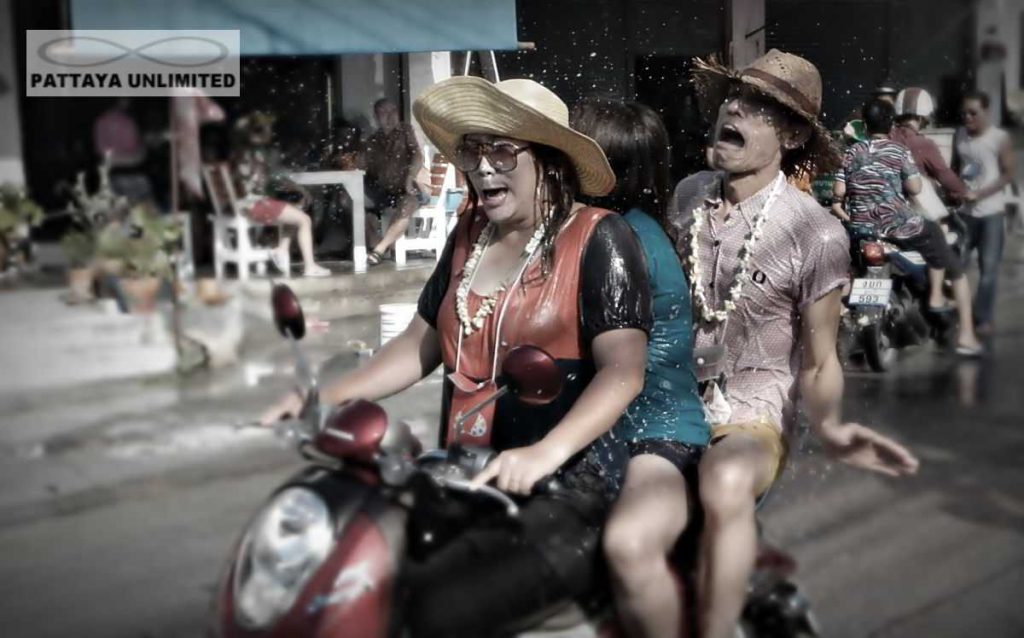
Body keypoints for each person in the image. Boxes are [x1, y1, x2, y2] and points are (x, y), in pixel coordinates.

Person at [262, 76, 651, 637]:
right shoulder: (470, 232)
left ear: (550, 161)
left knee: (432, 611)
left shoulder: (599, 237)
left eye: (503, 151)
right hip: (465, 476)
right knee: (346, 573)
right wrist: (324, 396)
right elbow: (418, 344)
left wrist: (545, 453)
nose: (484, 167)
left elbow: (623, 372)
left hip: (566, 488)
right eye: (474, 150)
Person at [668, 50, 921, 638]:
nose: (734, 109)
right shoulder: (687, 197)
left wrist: (830, 427)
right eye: (735, 97)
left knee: (725, 481)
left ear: (792, 135)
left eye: (759, 107)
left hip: (754, 407)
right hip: (673, 398)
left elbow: (820, 356)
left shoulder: (816, 231)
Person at [571, 99, 710, 638]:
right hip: (598, 421)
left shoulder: (619, 239)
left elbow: (621, 374)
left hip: (655, 429)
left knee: (629, 546)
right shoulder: (595, 227)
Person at [832, 99, 983, 354]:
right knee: (947, 254)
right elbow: (915, 187)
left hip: (861, 229)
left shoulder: (852, 152)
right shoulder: (899, 151)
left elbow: (839, 190)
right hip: (898, 226)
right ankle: (962, 330)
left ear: (864, 126)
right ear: (890, 125)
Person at [232, 112, 330, 277]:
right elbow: (274, 178)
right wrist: (300, 189)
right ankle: (310, 266)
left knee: (296, 210)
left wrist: (296, 189)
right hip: (254, 205)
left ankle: (282, 249)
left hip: (246, 204)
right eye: (267, 129)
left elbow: (272, 178)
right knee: (305, 220)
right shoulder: (256, 154)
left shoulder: (244, 152)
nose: (270, 133)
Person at [952, 90, 1016, 335]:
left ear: (986, 112)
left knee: (988, 271)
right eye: (964, 113)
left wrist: (981, 194)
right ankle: (957, 316)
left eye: (973, 113)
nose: (967, 117)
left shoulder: (999, 138)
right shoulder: (959, 135)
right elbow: (954, 168)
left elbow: (1008, 174)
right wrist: (953, 191)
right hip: (965, 214)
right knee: (956, 267)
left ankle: (983, 318)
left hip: (991, 214)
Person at [361, 97, 428, 265]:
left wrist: (410, 177)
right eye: (383, 112)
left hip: (408, 188)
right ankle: (375, 240)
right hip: (383, 191)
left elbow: (418, 156)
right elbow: (364, 166)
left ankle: (380, 249)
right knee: (350, 200)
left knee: (407, 205)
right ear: (376, 117)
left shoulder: (406, 131)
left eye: (393, 111)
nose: (389, 116)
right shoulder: (373, 140)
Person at [890, 87, 967, 205]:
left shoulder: (889, 137)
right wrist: (965, 192)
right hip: (914, 207)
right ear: (921, 118)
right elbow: (944, 176)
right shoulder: (923, 144)